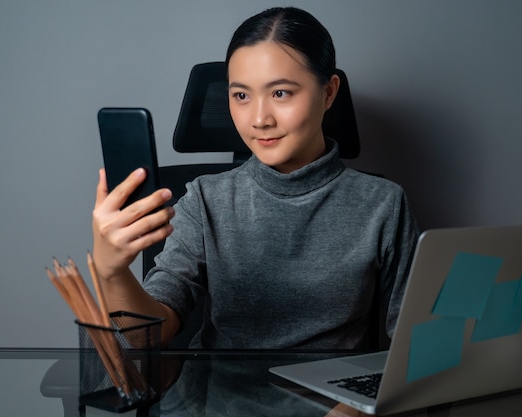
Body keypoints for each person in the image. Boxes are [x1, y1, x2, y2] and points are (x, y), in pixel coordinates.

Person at [92, 6, 419, 350]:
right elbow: (144, 337)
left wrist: (359, 403)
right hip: (219, 400)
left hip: (333, 401)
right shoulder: (205, 200)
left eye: (280, 93)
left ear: (328, 93)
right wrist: (112, 273)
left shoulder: (382, 204)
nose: (259, 119)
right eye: (241, 96)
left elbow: (416, 345)